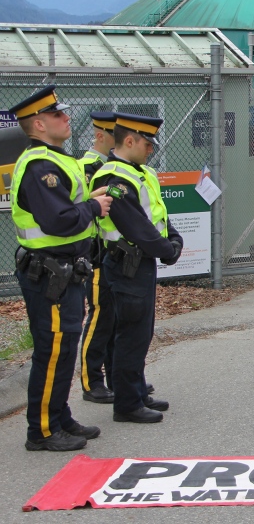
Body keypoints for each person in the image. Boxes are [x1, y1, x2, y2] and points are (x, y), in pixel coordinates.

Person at [9, 85, 113, 451]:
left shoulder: (57, 159)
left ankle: (59, 416)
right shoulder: (41, 166)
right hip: (49, 272)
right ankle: (42, 431)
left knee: (64, 348)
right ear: (38, 123)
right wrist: (93, 208)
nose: (66, 118)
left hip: (64, 271)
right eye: (57, 114)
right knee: (52, 349)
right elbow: (57, 220)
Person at [90, 113, 183, 423]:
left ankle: (135, 392)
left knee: (139, 332)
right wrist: (167, 250)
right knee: (131, 334)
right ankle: (127, 403)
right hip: (126, 263)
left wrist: (174, 239)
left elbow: (156, 214)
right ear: (129, 141)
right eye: (146, 143)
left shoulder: (139, 172)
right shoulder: (114, 177)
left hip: (139, 264)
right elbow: (135, 226)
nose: (151, 149)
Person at [78, 111, 117, 404]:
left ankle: (119, 377)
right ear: (101, 135)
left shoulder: (113, 166)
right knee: (100, 317)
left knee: (117, 318)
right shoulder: (87, 167)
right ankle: (92, 381)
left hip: (114, 253)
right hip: (96, 255)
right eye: (115, 136)